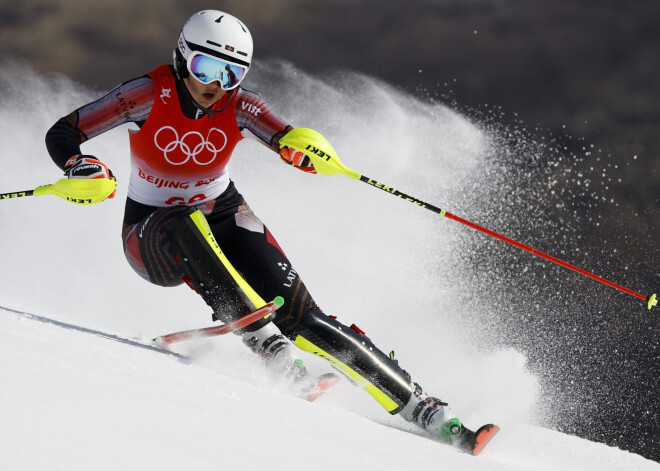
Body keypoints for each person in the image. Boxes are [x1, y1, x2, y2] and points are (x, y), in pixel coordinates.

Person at [45, 10, 491, 453]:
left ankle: (427, 410)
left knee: (305, 318)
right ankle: (269, 347)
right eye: (206, 68)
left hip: (223, 211)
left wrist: (303, 151)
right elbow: (64, 131)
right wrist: (78, 166)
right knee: (184, 221)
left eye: (232, 73)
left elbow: (286, 137)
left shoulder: (239, 105)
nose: (216, 84)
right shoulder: (146, 93)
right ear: (182, 59)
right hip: (150, 233)